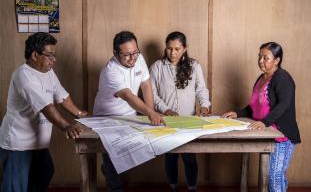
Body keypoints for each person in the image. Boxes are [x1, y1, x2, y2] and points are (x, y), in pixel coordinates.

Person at [0, 32, 88, 192]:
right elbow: (46, 107)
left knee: (44, 172)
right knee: (15, 188)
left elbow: (62, 97)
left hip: (37, 142)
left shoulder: (48, 72)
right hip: (18, 143)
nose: (54, 60)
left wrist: (81, 115)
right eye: (50, 55)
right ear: (35, 55)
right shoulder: (23, 75)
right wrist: (66, 126)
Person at [222, 42, 301, 192]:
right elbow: (255, 107)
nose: (261, 61)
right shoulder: (261, 78)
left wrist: (264, 122)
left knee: (274, 177)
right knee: (274, 176)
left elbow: (283, 105)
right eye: (259, 56)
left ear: (277, 60)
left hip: (281, 135)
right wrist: (237, 113)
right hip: (267, 133)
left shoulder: (283, 78)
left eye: (266, 58)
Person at [93, 30, 164, 192]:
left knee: (127, 156)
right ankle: (114, 187)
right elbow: (127, 95)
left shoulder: (137, 58)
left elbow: (146, 84)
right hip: (108, 117)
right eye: (127, 55)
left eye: (135, 52)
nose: (133, 58)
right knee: (111, 156)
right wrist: (150, 113)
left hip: (131, 115)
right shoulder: (110, 71)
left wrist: (151, 112)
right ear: (115, 53)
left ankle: (109, 170)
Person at [150, 31, 211, 192]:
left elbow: (201, 89)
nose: (172, 53)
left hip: (189, 121)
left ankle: (192, 188)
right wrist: (166, 109)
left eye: (177, 49)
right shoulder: (157, 67)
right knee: (170, 156)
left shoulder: (194, 66)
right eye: (169, 48)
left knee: (190, 157)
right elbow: (152, 94)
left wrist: (204, 105)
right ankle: (173, 187)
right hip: (167, 122)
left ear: (184, 48)